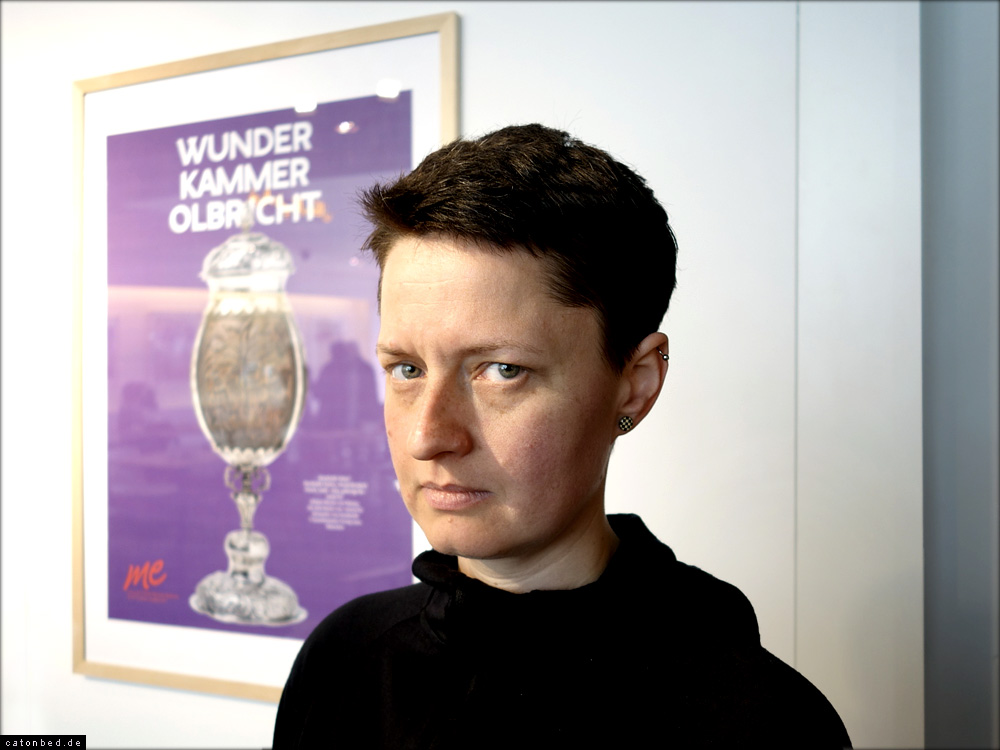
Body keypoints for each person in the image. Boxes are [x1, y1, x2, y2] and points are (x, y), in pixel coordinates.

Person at [272, 124, 852, 749]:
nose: (427, 436)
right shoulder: (344, 660)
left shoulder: (765, 722)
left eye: (503, 371)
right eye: (407, 370)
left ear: (635, 384)